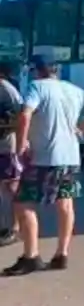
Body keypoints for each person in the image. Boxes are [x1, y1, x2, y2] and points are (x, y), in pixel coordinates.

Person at [2, 52, 84, 276]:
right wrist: (81, 129)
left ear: (36, 70)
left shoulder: (37, 87)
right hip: (70, 157)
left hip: (45, 157)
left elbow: (25, 115)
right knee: (65, 203)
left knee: (23, 203)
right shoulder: (73, 90)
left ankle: (31, 256)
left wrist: (21, 146)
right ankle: (62, 254)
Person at [0, 60, 22, 247]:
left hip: (6, 145)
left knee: (12, 186)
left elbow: (20, 115)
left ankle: (15, 228)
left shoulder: (7, 90)